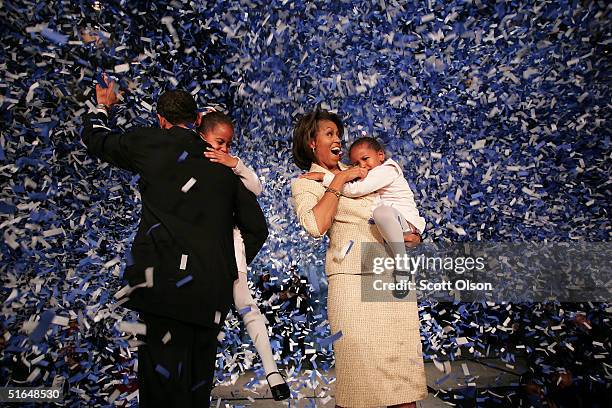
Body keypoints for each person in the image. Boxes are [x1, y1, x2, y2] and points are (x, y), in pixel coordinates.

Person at [81, 76, 268, 407]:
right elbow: (257, 230)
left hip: (164, 289)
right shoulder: (221, 163)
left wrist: (103, 107)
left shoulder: (149, 143)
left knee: (162, 391)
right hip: (210, 293)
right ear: (197, 120)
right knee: (197, 391)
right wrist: (228, 267)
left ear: (161, 120)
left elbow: (97, 140)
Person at [290, 108, 427, 408]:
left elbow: (394, 208)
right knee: (359, 386)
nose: (337, 139)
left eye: (338, 134)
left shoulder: (365, 173)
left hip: (393, 280)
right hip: (352, 286)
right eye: (329, 133)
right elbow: (315, 226)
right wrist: (337, 181)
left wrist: (412, 233)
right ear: (312, 142)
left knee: (403, 387)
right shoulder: (307, 182)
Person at [197, 110, 290, 400]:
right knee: (207, 315)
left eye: (227, 144)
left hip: (230, 248)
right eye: (218, 142)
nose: (223, 149)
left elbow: (256, 187)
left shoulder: (229, 168)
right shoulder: (191, 160)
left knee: (246, 305)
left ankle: (272, 372)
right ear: (202, 136)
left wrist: (234, 163)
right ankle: (199, 380)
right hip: (200, 249)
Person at [299, 136, 426, 298]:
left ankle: (402, 267)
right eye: (357, 164)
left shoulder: (387, 170)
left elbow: (355, 190)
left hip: (405, 224)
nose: (362, 165)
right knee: (381, 213)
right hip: (392, 232)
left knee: (381, 212)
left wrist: (325, 178)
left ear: (380, 155)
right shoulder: (373, 172)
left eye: (366, 159)